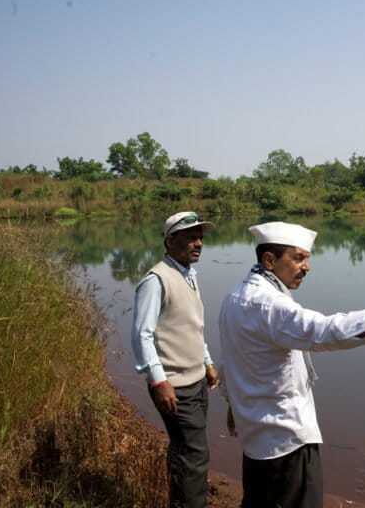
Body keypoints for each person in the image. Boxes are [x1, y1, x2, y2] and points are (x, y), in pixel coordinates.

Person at [218, 221, 365, 508]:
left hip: (256, 439)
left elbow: (232, 359)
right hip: (287, 439)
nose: (307, 267)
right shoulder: (272, 306)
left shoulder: (234, 298)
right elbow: (326, 331)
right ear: (269, 260)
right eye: (298, 258)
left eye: (307, 258)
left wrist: (233, 404)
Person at [131, 211, 219, 508]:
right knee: (193, 455)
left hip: (195, 381)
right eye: (190, 238)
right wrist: (158, 380)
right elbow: (142, 335)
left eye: (200, 238)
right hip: (175, 386)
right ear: (170, 241)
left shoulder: (189, 275)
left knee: (188, 451)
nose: (198, 244)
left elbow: (191, 325)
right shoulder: (156, 280)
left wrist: (206, 362)